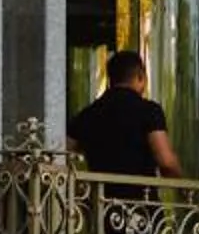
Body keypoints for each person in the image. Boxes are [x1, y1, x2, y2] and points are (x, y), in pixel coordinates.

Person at [69, 48, 180, 179]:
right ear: (140, 77)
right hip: (139, 191)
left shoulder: (88, 114)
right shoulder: (149, 111)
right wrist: (181, 185)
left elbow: (62, 151)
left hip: (101, 192)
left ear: (110, 80)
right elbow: (166, 163)